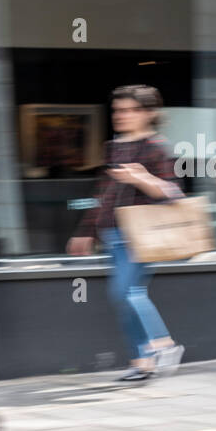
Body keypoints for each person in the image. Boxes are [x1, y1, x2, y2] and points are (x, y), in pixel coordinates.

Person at [66, 85, 185, 382]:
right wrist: (86, 231)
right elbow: (103, 194)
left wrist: (141, 178)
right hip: (112, 232)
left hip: (141, 233)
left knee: (125, 292)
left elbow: (173, 194)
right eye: (118, 110)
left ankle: (164, 344)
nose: (121, 116)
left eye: (130, 110)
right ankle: (142, 362)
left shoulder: (157, 147)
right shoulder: (114, 147)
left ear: (149, 114)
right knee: (125, 297)